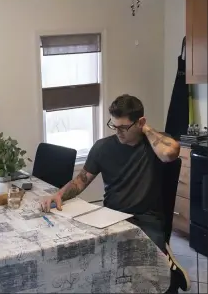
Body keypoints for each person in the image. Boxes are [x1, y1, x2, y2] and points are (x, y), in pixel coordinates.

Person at [40, 94, 190, 292]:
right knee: (91, 255)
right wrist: (59, 195)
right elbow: (81, 180)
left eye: (124, 127)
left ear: (140, 123)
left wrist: (146, 129)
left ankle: (169, 268)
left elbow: (170, 153)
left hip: (146, 218)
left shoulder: (153, 144)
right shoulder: (103, 147)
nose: (118, 132)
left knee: (150, 271)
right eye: (114, 126)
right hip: (112, 216)